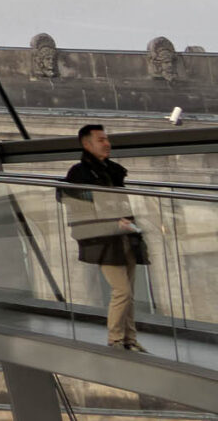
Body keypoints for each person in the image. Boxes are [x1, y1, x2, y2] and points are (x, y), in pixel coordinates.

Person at [64, 125, 149, 350]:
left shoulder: (113, 171)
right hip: (101, 239)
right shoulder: (79, 174)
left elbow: (120, 202)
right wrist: (110, 219)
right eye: (101, 139)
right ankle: (115, 339)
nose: (107, 143)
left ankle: (130, 338)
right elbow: (74, 203)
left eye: (106, 139)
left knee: (128, 291)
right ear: (86, 144)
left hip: (124, 236)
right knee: (122, 290)